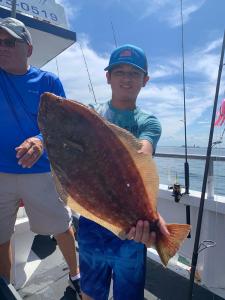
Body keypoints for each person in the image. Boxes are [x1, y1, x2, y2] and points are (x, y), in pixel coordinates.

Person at [78, 44, 170, 300]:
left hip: (132, 228)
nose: (127, 79)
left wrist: (150, 216)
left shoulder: (148, 121)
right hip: (92, 219)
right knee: (90, 292)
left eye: (134, 73)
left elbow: (143, 151)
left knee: (128, 295)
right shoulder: (90, 114)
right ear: (108, 77)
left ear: (145, 80)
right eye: (119, 72)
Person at [0, 17, 82, 298]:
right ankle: (6, 287)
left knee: (61, 227)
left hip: (40, 172)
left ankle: (76, 276)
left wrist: (38, 141)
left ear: (29, 49)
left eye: (9, 41)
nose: (2, 47)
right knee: (0, 237)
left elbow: (59, 127)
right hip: (0, 173)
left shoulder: (48, 81)